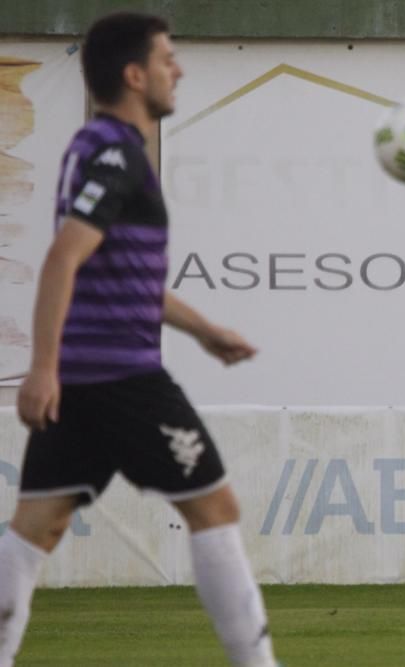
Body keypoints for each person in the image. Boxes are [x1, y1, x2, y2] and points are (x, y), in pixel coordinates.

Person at [0, 13, 279, 667]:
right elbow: (63, 259)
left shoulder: (92, 145)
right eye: (166, 58)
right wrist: (40, 368)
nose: (176, 68)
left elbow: (117, 275)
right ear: (134, 74)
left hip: (84, 379)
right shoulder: (116, 151)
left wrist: (205, 330)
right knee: (216, 505)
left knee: (37, 528)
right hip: (121, 379)